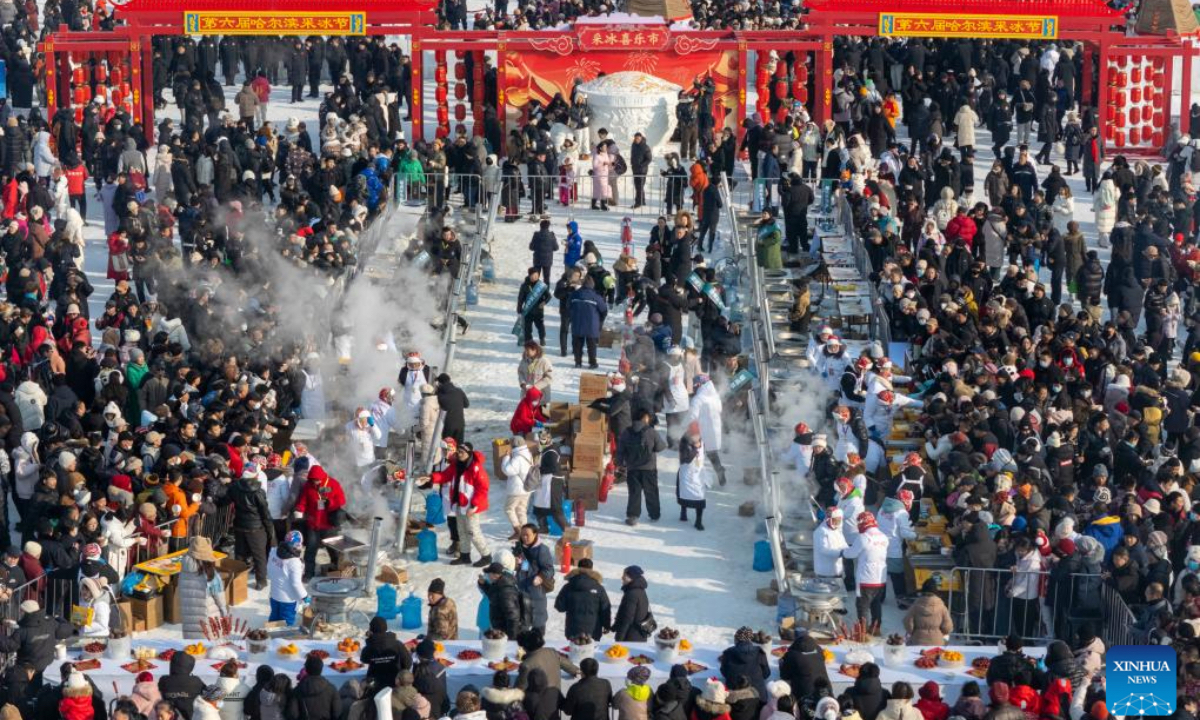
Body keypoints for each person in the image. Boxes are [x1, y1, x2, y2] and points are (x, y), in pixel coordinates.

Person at [426, 440, 492, 567]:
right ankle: (465, 555)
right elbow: (445, 476)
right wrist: (431, 478)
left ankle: (486, 555)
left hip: (471, 507)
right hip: (458, 504)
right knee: (461, 531)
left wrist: (474, 505)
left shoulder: (476, 468)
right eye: (458, 451)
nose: (459, 454)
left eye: (461, 452)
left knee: (473, 532)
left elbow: (483, 489)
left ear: (468, 453)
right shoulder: (456, 465)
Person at [290, 465, 347, 579]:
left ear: (322, 477)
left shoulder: (333, 483)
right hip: (313, 524)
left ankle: (337, 572)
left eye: (317, 480)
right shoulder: (308, 486)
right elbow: (303, 501)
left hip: (329, 526)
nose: (315, 482)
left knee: (334, 552)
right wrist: (299, 509)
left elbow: (342, 500)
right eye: (313, 480)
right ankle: (308, 574)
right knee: (310, 551)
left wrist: (330, 502)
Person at [617, 407, 666, 526]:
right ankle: (654, 514)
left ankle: (633, 516)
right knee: (651, 491)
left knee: (634, 492)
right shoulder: (651, 431)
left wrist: (621, 463)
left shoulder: (626, 432)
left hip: (633, 468)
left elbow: (620, 450)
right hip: (649, 468)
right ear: (644, 417)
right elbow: (660, 447)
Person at [843, 512, 889, 629]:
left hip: (865, 578)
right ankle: (876, 628)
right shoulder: (884, 537)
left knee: (862, 606)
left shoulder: (863, 538)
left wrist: (842, 551)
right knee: (876, 604)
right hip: (880, 578)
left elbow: (850, 554)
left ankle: (862, 631)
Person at [179, 536, 228, 639]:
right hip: (208, 616)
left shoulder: (184, 569)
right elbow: (219, 596)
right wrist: (224, 612)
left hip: (189, 617)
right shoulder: (209, 573)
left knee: (194, 647)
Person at [555, 557, 612, 639]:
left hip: (573, 629)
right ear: (592, 569)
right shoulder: (599, 588)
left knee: (573, 651)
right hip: (593, 630)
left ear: (578, 568)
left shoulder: (568, 586)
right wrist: (606, 625)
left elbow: (559, 607)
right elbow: (605, 608)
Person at [676, 423, 712, 530]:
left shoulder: (701, 439)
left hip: (698, 473)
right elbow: (685, 459)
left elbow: (703, 453)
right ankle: (683, 512)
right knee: (684, 494)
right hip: (687, 472)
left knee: (699, 496)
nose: (697, 436)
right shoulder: (684, 441)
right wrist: (694, 450)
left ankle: (698, 521)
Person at [360, 615, 411, 691]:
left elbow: (363, 659)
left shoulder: (369, 647)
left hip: (375, 684)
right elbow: (408, 663)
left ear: (371, 629)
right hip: (395, 683)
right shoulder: (397, 644)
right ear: (386, 627)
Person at [718, 627, 771, 700]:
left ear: (736, 639)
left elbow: (724, 673)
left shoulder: (728, 653)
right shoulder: (759, 652)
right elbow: (766, 674)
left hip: (734, 699)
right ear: (750, 639)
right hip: (758, 697)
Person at [266, 531, 307, 626]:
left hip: (274, 594)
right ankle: (283, 639)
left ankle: (271, 635)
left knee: (274, 616)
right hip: (288, 599)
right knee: (287, 621)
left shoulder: (273, 551)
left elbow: (269, 570)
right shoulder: (294, 562)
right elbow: (296, 584)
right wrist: (305, 596)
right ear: (297, 545)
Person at [569, 277, 608, 369]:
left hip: (577, 323)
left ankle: (578, 362)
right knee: (591, 345)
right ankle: (592, 363)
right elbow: (604, 310)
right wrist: (600, 320)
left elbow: (568, 306)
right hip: (592, 325)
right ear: (592, 285)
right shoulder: (596, 296)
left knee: (577, 344)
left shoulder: (574, 294)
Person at [778, 633, 830, 698]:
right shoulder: (818, 649)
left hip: (805, 693)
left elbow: (785, 676)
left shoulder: (791, 654)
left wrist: (781, 665)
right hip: (827, 690)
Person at [902, 579, 953, 645]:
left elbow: (908, 625)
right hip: (937, 642)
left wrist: (913, 632)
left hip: (917, 642)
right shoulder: (942, 607)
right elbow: (948, 628)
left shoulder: (915, 606)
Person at [159, 651, 206, 720]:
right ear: (190, 666)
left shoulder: (164, 680)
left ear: (172, 665)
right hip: (191, 716)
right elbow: (207, 693)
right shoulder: (195, 680)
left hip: (169, 717)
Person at [612, 565, 652, 642]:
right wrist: (615, 626)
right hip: (640, 635)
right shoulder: (640, 591)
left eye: (625, 575)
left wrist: (619, 638)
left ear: (632, 577)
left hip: (630, 638)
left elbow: (627, 619)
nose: (622, 577)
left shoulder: (631, 594)